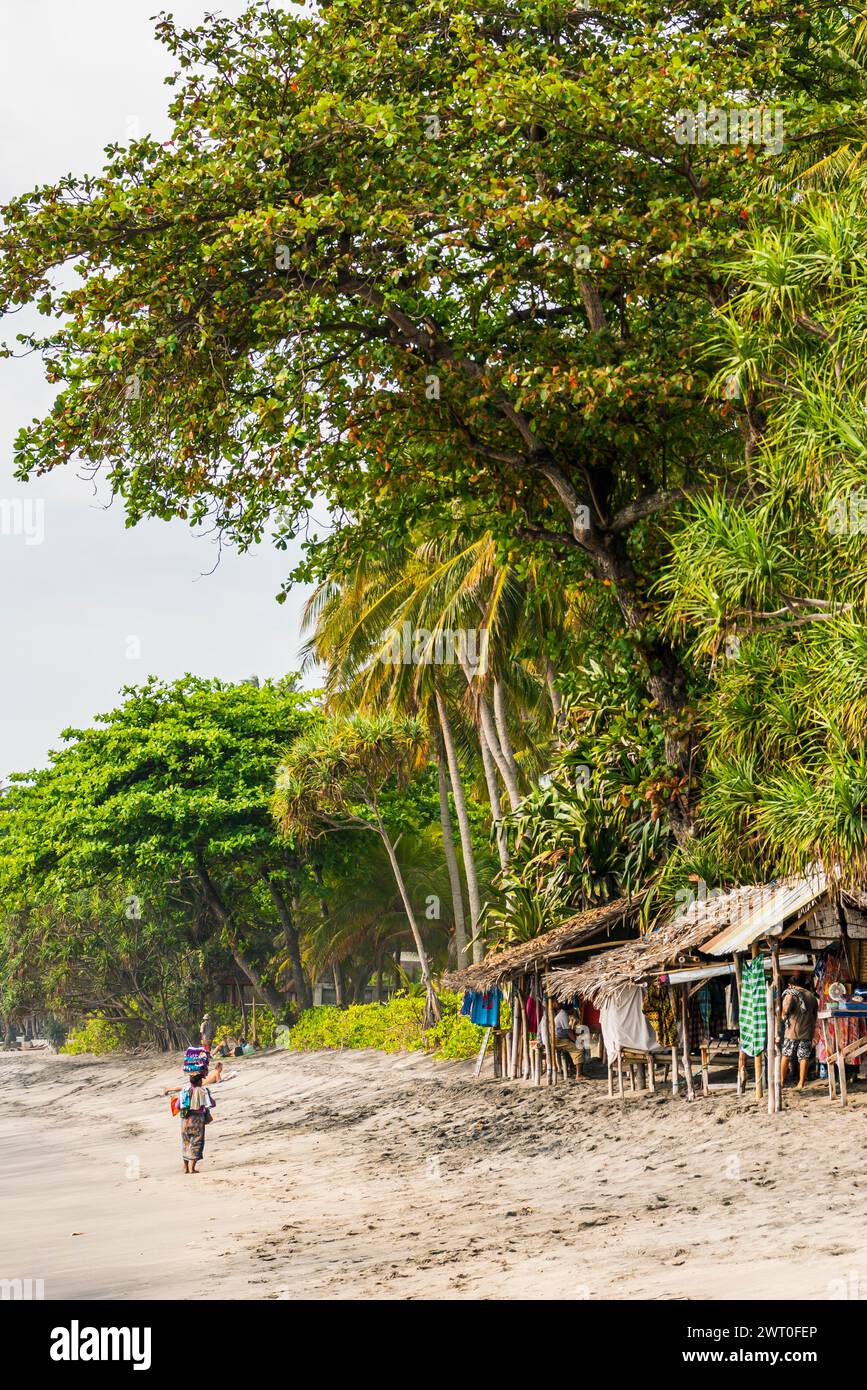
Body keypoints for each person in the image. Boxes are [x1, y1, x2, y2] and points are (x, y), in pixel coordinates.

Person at [165, 1070, 215, 1173]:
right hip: (197, 1121)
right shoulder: (203, 1091)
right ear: (200, 1081)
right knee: (197, 1143)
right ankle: (193, 1168)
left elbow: (177, 1106)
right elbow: (212, 1104)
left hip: (185, 1120)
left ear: (191, 1081)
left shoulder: (184, 1091)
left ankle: (186, 1168)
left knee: (186, 1143)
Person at [780, 972, 819, 1090]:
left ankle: (781, 1081)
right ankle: (801, 1083)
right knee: (804, 1057)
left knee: (786, 1055)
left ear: (791, 984)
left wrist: (783, 1014)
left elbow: (785, 1010)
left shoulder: (791, 994)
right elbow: (814, 1015)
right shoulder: (812, 996)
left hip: (792, 1031)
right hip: (807, 1031)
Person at [554, 1004, 586, 1078]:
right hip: (558, 1040)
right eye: (572, 1009)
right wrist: (576, 1041)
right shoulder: (563, 1015)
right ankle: (579, 1075)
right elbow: (568, 1031)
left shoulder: (562, 1014)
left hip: (560, 1038)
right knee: (578, 1049)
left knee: (573, 1046)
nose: (573, 1011)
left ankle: (573, 1068)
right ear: (569, 1009)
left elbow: (567, 1030)